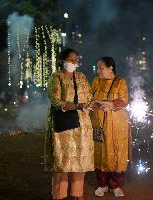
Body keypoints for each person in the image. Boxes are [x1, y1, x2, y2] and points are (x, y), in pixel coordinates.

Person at [45, 48, 94, 200]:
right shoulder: (56, 77)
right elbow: (56, 100)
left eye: (76, 59)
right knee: (62, 162)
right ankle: (59, 195)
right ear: (62, 61)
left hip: (82, 125)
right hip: (63, 125)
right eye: (71, 59)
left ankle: (78, 194)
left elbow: (89, 97)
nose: (74, 62)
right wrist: (78, 106)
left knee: (79, 161)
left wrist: (98, 104)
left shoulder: (81, 77)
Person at [90, 57, 131, 197]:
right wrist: (95, 104)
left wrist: (107, 103)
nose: (98, 71)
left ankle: (115, 185)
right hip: (98, 123)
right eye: (97, 68)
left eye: (101, 68)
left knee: (117, 152)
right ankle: (102, 184)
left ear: (110, 68)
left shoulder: (120, 82)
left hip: (117, 124)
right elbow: (91, 100)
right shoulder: (96, 82)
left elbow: (123, 101)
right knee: (100, 152)